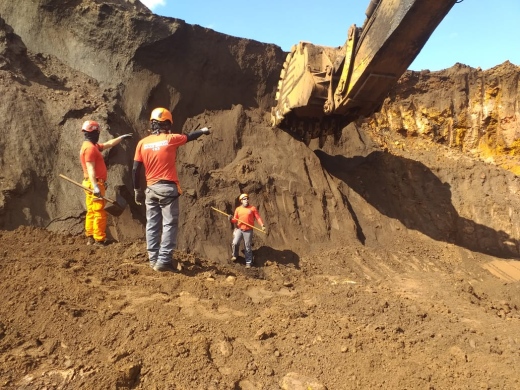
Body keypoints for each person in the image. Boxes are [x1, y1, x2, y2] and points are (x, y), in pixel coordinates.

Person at [132, 107, 211, 272]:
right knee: (169, 224)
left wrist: (137, 190)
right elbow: (189, 136)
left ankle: (153, 260)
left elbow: (135, 170)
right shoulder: (170, 139)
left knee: (152, 224)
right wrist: (203, 130)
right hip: (167, 188)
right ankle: (163, 261)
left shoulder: (142, 143)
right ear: (166, 124)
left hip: (151, 189)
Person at [80, 120, 132, 246]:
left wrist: (120, 138)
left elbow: (108, 144)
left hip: (89, 183)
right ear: (94, 133)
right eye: (97, 132)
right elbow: (91, 169)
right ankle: (99, 239)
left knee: (91, 211)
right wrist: (96, 187)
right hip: (94, 183)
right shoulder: (90, 149)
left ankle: (91, 236)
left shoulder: (91, 146)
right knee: (98, 211)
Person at [228, 193, 266, 268]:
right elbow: (235, 220)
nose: (246, 200)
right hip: (239, 229)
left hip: (248, 230)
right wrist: (230, 219)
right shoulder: (238, 209)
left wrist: (262, 225)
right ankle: (235, 255)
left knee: (247, 246)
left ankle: (248, 262)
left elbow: (258, 217)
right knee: (235, 243)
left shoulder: (252, 208)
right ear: (241, 201)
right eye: (244, 199)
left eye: (247, 198)